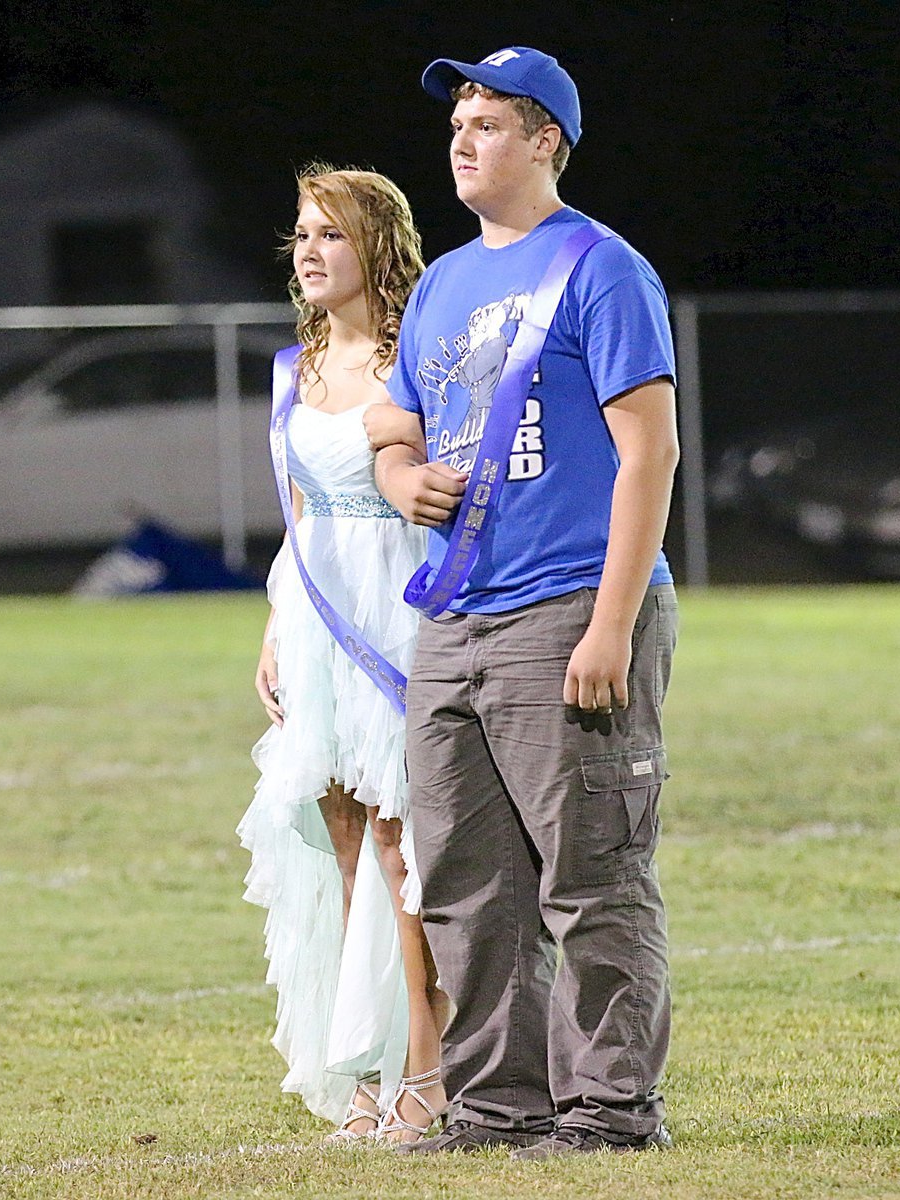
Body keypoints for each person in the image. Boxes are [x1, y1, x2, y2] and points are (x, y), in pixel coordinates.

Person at [368, 47, 680, 1158]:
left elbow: (651, 452)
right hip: (455, 617)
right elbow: (394, 425)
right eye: (458, 121)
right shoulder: (446, 281)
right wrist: (403, 478)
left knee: (591, 872)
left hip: (567, 605)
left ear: (547, 138)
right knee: (465, 880)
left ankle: (607, 1111)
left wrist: (610, 621)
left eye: (490, 122)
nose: (463, 139)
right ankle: (499, 1108)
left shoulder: (600, 266)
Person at [237, 165, 448, 1144]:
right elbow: (298, 518)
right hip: (316, 614)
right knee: (346, 838)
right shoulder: (296, 368)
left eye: (328, 233)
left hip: (397, 608)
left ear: (374, 247)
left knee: (407, 840)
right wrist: (276, 632)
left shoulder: (421, 361)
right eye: (300, 233)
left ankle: (430, 1072)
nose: (308, 251)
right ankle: (366, 1069)